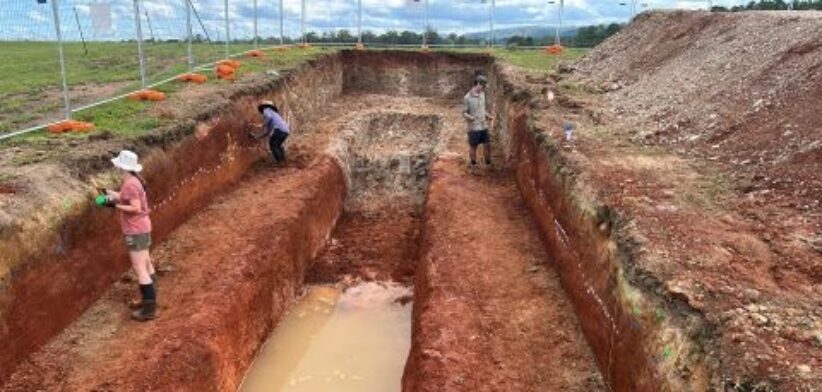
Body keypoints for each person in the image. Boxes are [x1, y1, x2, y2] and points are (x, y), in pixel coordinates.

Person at [103, 150, 157, 321]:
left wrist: (114, 205)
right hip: (142, 227)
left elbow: (135, 208)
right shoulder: (134, 181)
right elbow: (128, 199)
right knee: (146, 263)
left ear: (121, 166)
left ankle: (149, 309)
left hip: (135, 230)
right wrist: (112, 194)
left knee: (139, 267)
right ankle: (149, 300)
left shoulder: (130, 184)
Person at [463, 74, 494, 167]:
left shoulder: (482, 95)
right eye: (483, 86)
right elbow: (464, 113)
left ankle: (488, 164)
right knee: (474, 146)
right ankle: (473, 164)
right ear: (478, 84)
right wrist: (470, 118)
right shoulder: (467, 98)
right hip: (473, 127)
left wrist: (487, 115)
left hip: (483, 125)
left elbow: (482, 109)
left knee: (487, 144)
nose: (484, 88)